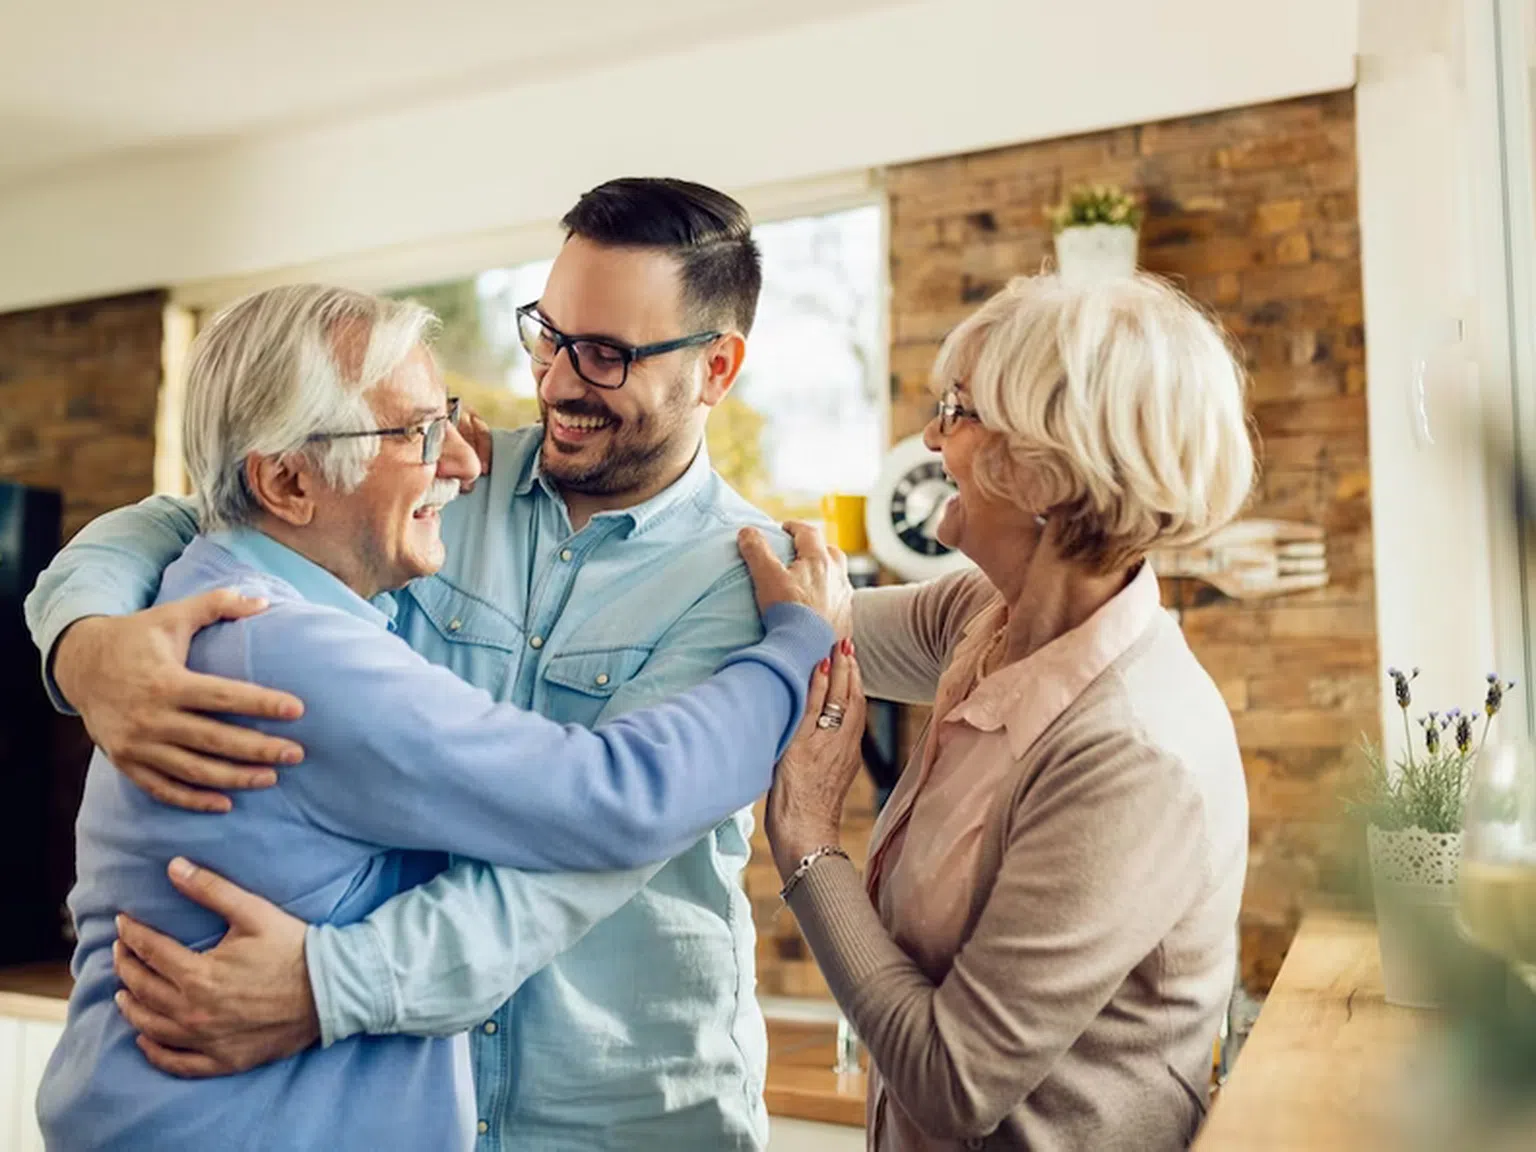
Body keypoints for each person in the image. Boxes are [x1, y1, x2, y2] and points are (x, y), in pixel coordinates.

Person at [25, 179, 848, 1150]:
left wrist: (329, 985)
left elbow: (599, 830)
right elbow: (198, 502)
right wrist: (86, 644)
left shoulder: (752, 582)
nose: (556, 380)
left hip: (615, 1113)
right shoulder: (432, 480)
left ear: (717, 367)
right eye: (548, 332)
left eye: (607, 354)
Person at [759, 272, 1255, 1150]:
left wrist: (808, 841)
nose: (928, 436)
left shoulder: (1132, 757)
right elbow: (797, 622)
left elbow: (954, 1082)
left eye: (956, 410)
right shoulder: (983, 617)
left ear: (1043, 466)